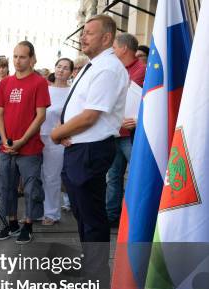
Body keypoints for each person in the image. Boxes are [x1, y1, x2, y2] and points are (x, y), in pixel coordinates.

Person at [51, 15, 128, 275]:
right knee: (81, 210)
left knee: (91, 212)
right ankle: (89, 262)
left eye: (89, 33)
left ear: (106, 38)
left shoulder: (107, 68)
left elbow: (90, 115)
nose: (82, 37)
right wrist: (63, 132)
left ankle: (95, 271)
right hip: (78, 147)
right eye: (83, 32)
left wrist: (56, 132)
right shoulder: (93, 65)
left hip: (90, 149)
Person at [0, 41, 50, 244]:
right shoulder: (5, 83)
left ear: (32, 59)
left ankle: (28, 224)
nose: (18, 60)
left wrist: (22, 140)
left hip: (29, 148)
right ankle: (11, 222)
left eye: (23, 56)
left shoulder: (39, 82)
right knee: (5, 186)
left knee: (30, 187)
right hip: (6, 147)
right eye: (15, 56)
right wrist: (5, 139)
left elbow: (40, 115)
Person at [107, 32, 146, 227]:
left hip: (132, 135)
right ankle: (112, 217)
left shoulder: (143, 70)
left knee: (138, 175)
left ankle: (138, 217)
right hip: (116, 132)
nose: (112, 50)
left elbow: (152, 102)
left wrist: (138, 120)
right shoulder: (116, 69)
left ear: (123, 48)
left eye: (114, 47)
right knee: (113, 177)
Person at [40, 58, 72, 226]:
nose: (61, 70)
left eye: (65, 68)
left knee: (52, 177)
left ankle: (52, 213)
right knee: (37, 177)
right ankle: (37, 211)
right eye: (59, 66)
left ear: (71, 72)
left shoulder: (72, 92)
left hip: (58, 139)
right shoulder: (45, 89)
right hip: (38, 136)